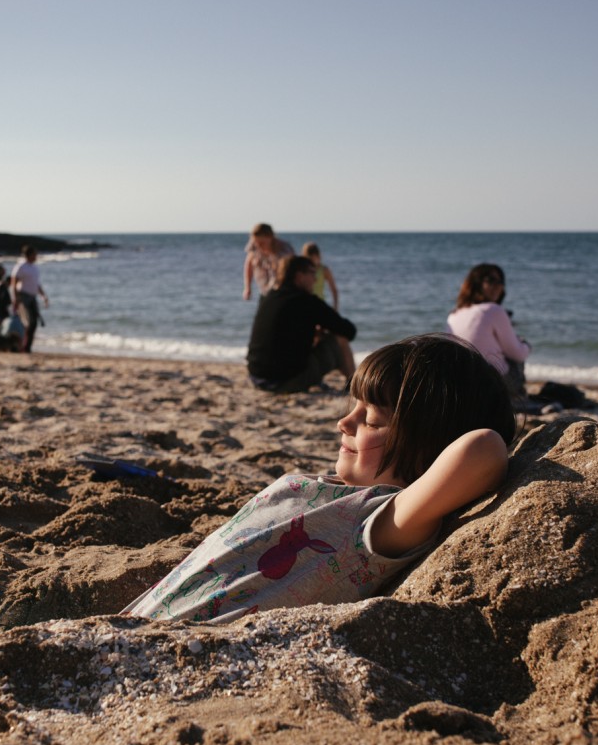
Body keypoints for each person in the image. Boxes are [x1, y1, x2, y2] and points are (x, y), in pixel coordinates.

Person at [125, 333, 515, 623]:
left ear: (428, 447)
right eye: (355, 406)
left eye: (372, 419)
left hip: (180, 641)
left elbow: (484, 448)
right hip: (141, 618)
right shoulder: (329, 489)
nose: (345, 422)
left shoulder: (386, 520)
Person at [246, 255, 357, 393]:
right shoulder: (307, 301)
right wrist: (324, 330)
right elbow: (349, 330)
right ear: (299, 276)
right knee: (339, 339)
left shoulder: (271, 296)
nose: (316, 279)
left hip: (256, 377)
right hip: (284, 382)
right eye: (312, 273)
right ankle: (356, 388)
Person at [447, 263, 531, 401]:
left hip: (464, 382)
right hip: (494, 382)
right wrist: (527, 346)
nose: (497, 285)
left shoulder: (454, 314)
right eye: (491, 280)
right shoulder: (493, 309)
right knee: (519, 343)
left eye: (500, 281)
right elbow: (518, 354)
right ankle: (517, 397)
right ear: (476, 283)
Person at [10, 245, 50, 353]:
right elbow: (13, 283)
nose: (36, 256)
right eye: (34, 254)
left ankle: (27, 347)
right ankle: (23, 346)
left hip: (33, 296)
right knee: (28, 322)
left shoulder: (35, 268)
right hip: (23, 296)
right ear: (29, 255)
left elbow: (36, 284)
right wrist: (15, 298)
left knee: (34, 322)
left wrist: (43, 296)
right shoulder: (21, 266)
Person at [243, 223, 295, 300]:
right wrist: (248, 287)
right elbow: (249, 265)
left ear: (271, 237)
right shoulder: (255, 247)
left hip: (282, 292)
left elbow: (293, 270)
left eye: (261, 243)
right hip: (264, 291)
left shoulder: (284, 250)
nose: (258, 246)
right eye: (255, 242)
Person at [301, 242, 340, 310]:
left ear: (318, 256)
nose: (312, 262)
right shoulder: (303, 270)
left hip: (319, 305)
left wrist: (335, 307)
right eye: (309, 259)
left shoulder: (324, 270)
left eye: (314, 258)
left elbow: (334, 290)